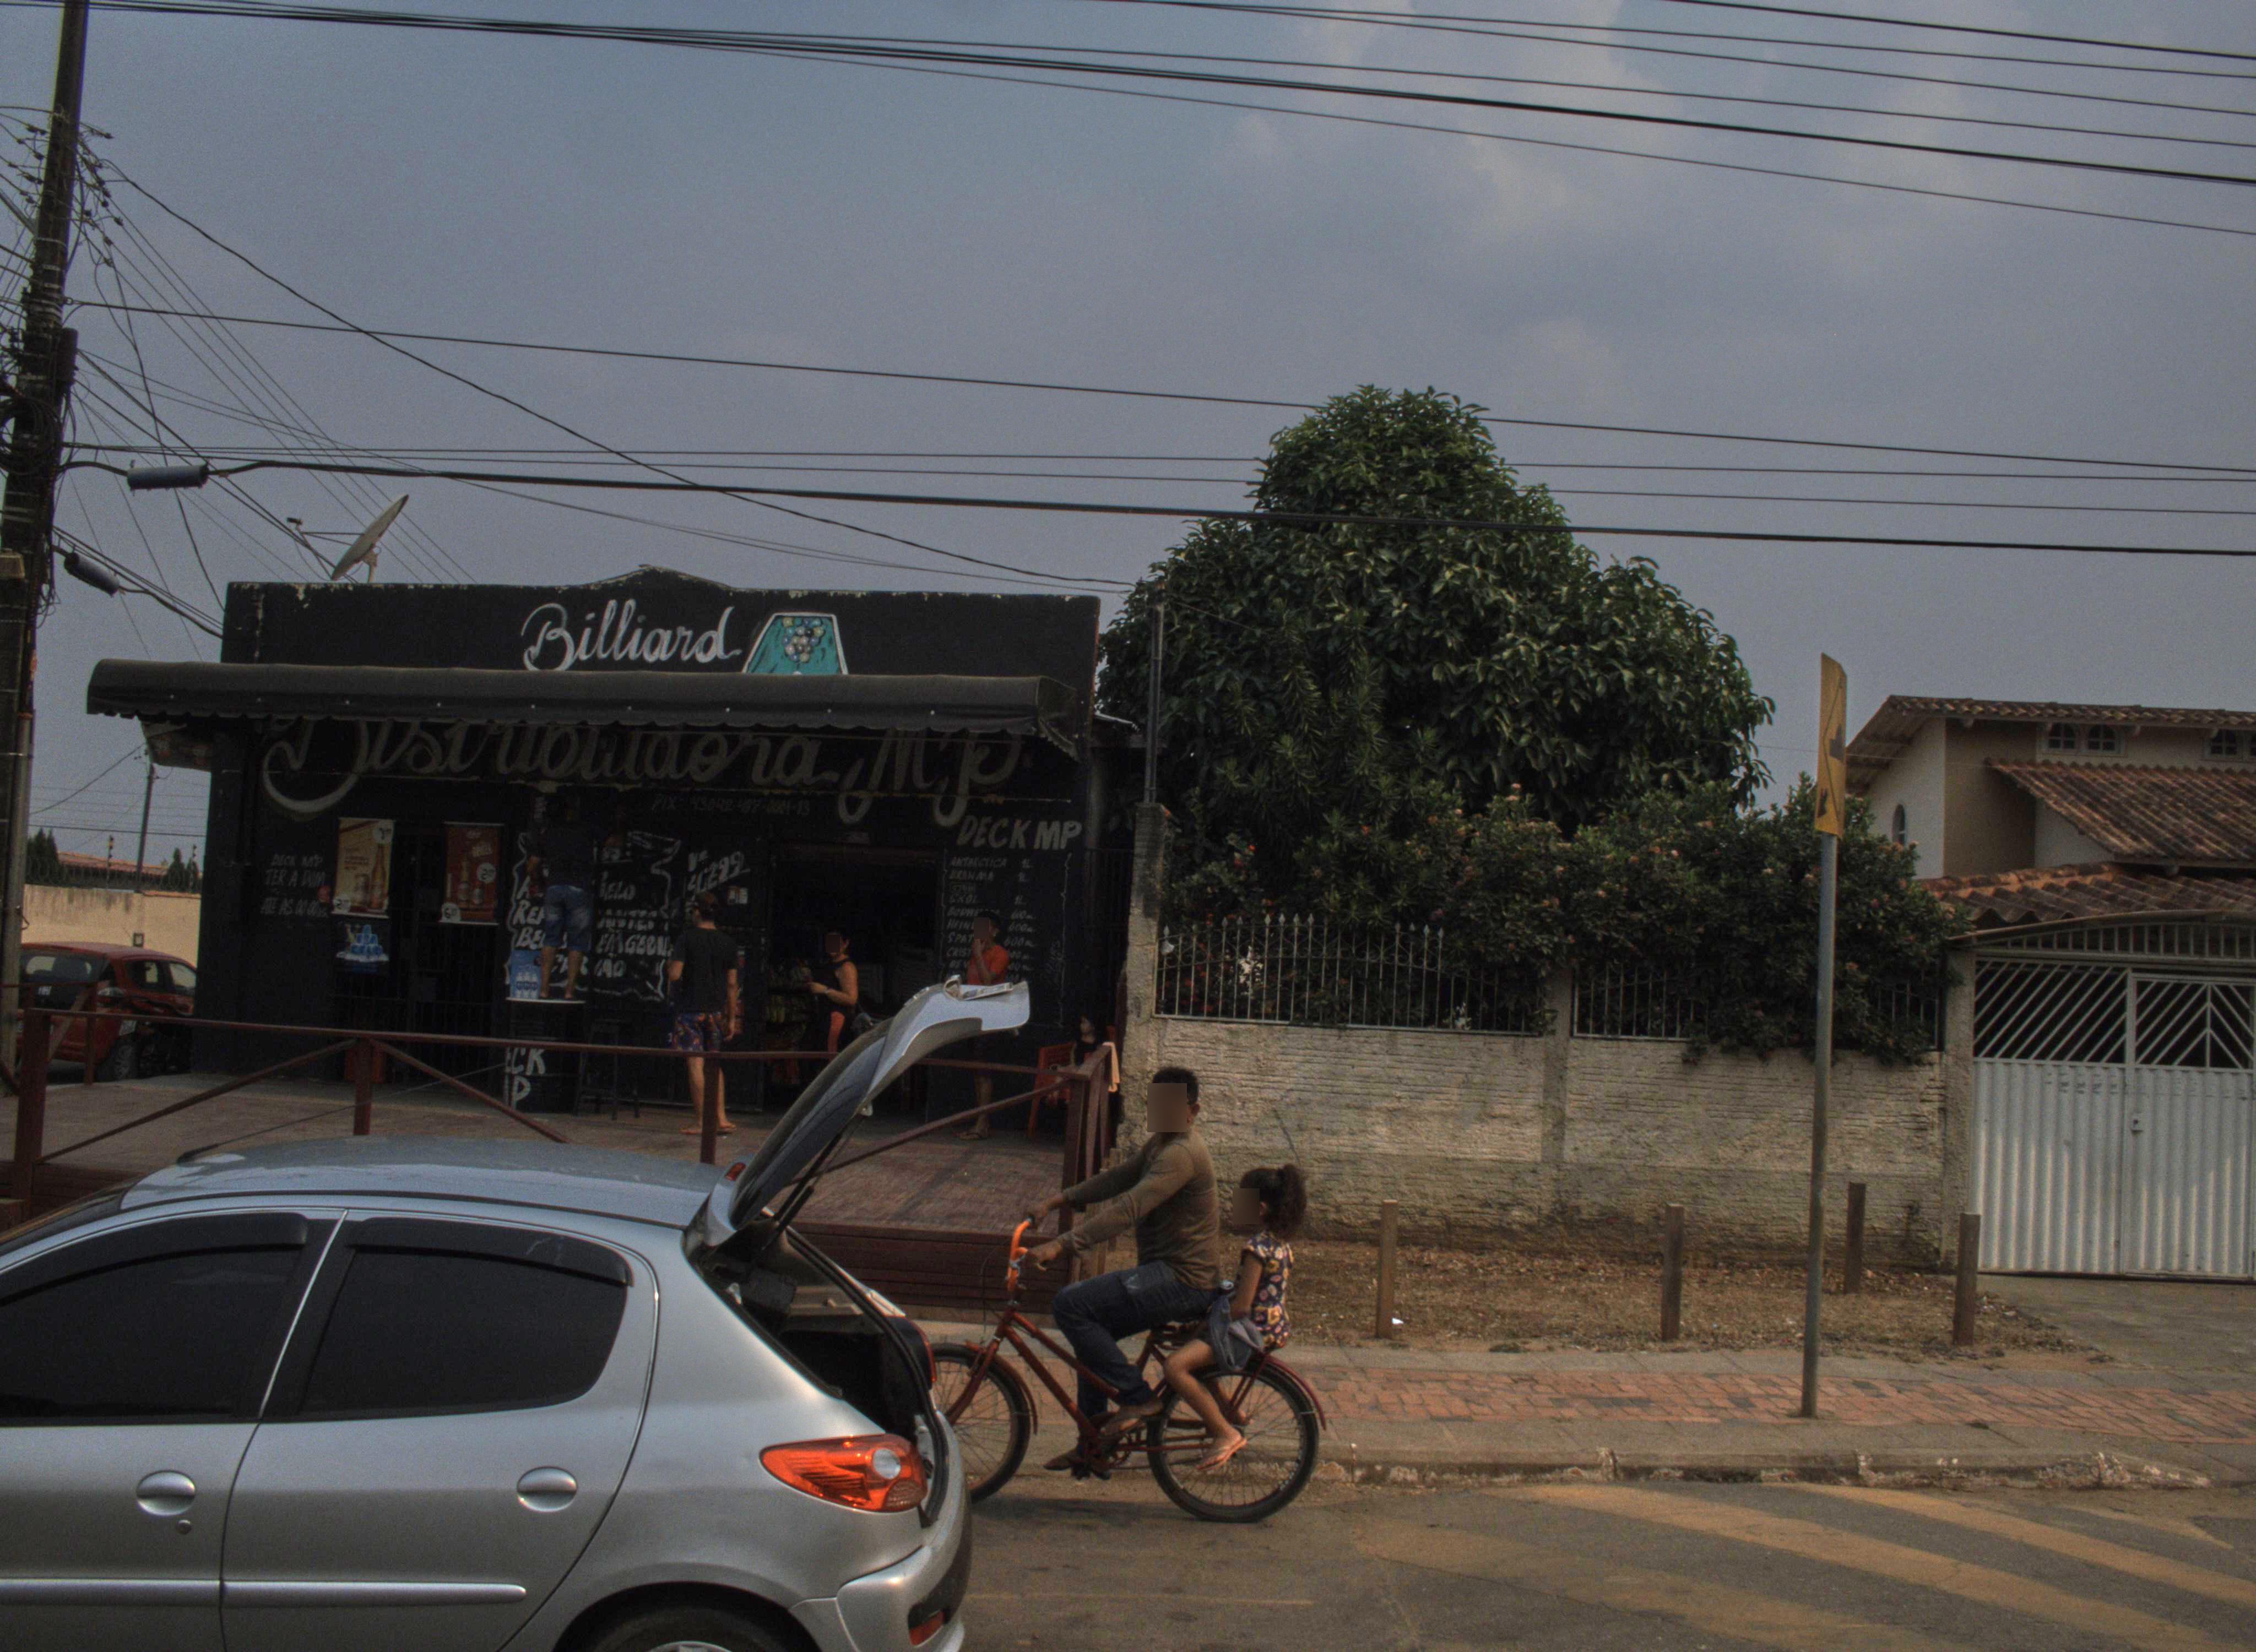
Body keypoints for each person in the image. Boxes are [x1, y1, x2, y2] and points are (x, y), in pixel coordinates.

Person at [1022, 1065, 1217, 1466]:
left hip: (1183, 1280)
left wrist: (1062, 1245)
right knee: (1091, 1335)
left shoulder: (1181, 1154)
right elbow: (1117, 1179)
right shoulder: (1161, 1144)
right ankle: (1094, 1444)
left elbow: (1128, 1208)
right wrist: (1057, 1201)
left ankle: (1138, 1397)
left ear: (1193, 1111)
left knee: (1071, 1304)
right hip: (1166, 1272)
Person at [1163, 1164, 1306, 1469]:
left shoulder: (1257, 1248)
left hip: (1250, 1331)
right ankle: (1231, 1413)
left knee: (1175, 1366)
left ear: (1261, 1209)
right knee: (1195, 1354)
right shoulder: (1282, 1246)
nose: (1233, 1208)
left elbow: (1242, 1307)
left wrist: (1208, 1323)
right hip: (1271, 1327)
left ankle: (1224, 1432)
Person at [667, 891, 741, 1138]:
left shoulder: (687, 938)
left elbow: (675, 974)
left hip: (690, 1008)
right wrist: (732, 1018)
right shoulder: (728, 943)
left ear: (697, 912)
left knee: (695, 1062)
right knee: (714, 1064)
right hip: (716, 1011)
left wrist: (670, 969)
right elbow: (732, 984)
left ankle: (702, 1121)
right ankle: (721, 1118)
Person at [528, 795, 603, 1000]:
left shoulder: (549, 832)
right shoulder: (586, 829)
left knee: (551, 938)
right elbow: (613, 842)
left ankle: (544, 989)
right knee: (577, 942)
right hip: (579, 888)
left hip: (554, 887)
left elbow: (532, 865)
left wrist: (539, 881)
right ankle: (570, 991)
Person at [957, 912, 1011, 1140]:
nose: (978, 932)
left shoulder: (1000, 954)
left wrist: (978, 954)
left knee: (985, 1072)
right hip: (973, 1016)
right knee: (976, 1071)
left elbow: (988, 981)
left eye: (984, 927)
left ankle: (982, 1123)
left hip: (991, 1018)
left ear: (995, 932)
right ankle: (980, 1121)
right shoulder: (975, 954)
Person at [805, 930, 860, 1056]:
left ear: (845, 944)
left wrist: (825, 990)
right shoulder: (828, 964)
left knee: (831, 1055)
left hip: (837, 1019)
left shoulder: (847, 967)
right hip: (823, 1018)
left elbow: (852, 999)